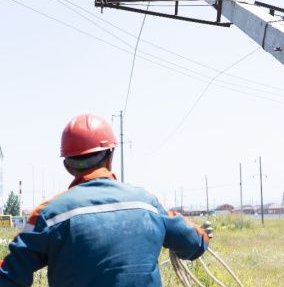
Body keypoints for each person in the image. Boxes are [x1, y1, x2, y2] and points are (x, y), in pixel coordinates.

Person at [0, 113, 210, 286]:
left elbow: (8, 275)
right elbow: (194, 243)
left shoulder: (49, 214)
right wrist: (204, 235)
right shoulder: (147, 203)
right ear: (110, 156)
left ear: (67, 166)